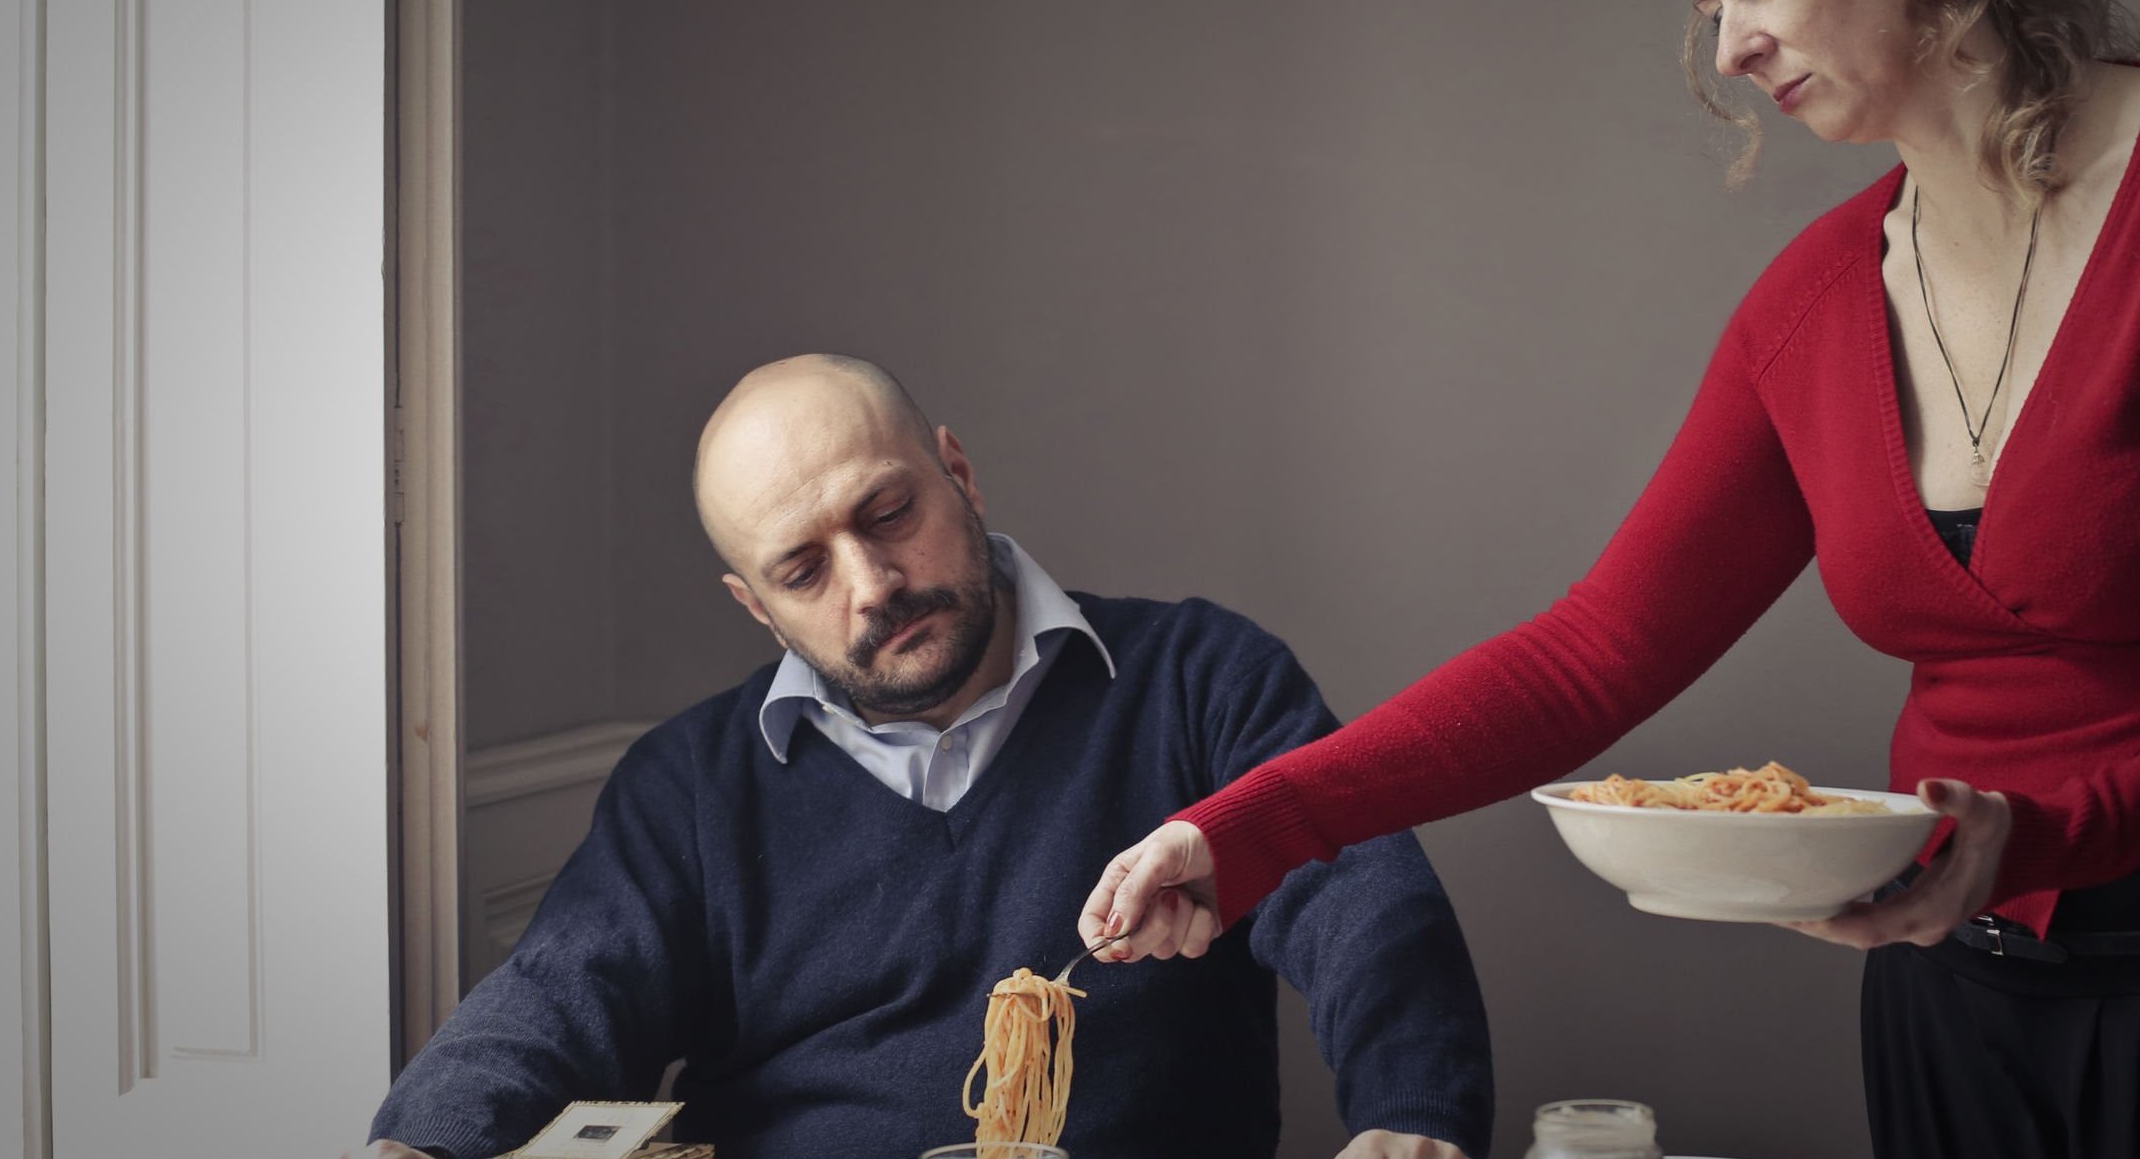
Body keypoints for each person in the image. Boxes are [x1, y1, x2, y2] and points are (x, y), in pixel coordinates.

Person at [1083, 0, 2140, 1154]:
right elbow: (1591, 654)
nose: (1728, 50)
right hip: (1957, 1002)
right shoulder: (1813, 302)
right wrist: (1243, 831)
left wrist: (2033, 842)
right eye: (1707, 7)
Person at [359, 355, 1494, 1159]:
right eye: (803, 571)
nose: (872, 583)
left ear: (958, 469)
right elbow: (557, 997)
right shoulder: (689, 787)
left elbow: (1364, 901)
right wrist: (418, 1145)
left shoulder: (1199, 680)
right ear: (755, 608)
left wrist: (1414, 1115)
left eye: (888, 511)